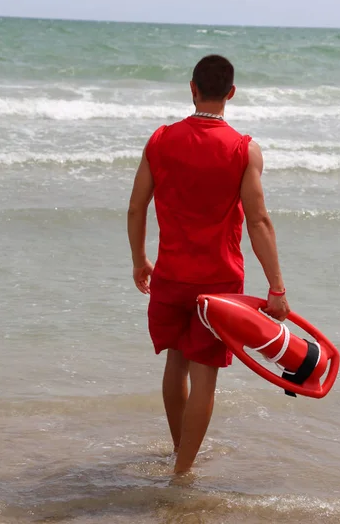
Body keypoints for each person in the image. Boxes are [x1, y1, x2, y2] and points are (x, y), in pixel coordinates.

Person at [127, 54, 290, 474]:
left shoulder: (160, 139)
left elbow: (135, 208)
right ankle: (182, 472)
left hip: (171, 273)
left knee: (174, 363)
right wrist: (277, 288)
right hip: (218, 281)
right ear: (231, 93)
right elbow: (258, 220)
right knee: (204, 377)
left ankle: (179, 453)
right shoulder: (243, 149)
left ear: (192, 88)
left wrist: (139, 260)